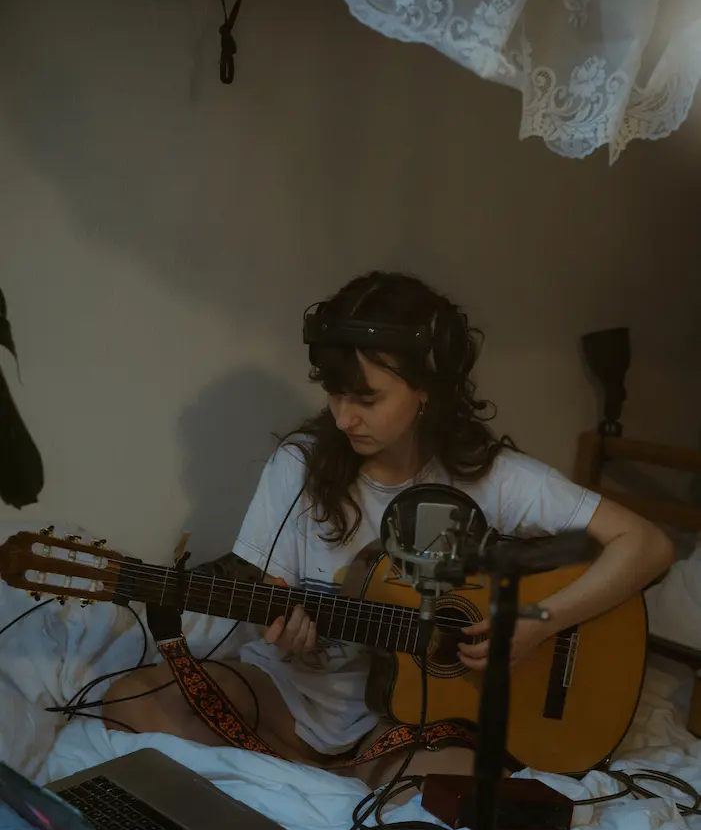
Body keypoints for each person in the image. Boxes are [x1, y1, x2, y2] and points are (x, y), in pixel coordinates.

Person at [102, 271, 675, 785]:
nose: (343, 416)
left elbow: (648, 545)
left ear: (428, 388)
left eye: (367, 397)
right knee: (130, 702)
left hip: (404, 725)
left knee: (450, 803)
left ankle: (323, 775)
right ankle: (316, 774)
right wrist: (284, 625)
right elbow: (271, 592)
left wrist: (537, 622)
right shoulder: (299, 464)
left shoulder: (493, 477)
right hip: (290, 696)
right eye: (334, 393)